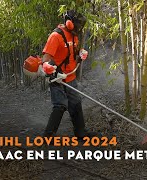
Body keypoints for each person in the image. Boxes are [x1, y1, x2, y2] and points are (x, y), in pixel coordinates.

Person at [41, 10, 95, 139]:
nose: (79, 28)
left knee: (76, 103)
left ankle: (81, 133)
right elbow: (46, 58)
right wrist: (49, 68)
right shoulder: (56, 36)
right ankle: (48, 136)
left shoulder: (73, 36)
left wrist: (81, 55)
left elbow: (73, 53)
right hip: (57, 78)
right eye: (77, 24)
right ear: (69, 22)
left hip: (70, 76)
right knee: (60, 105)